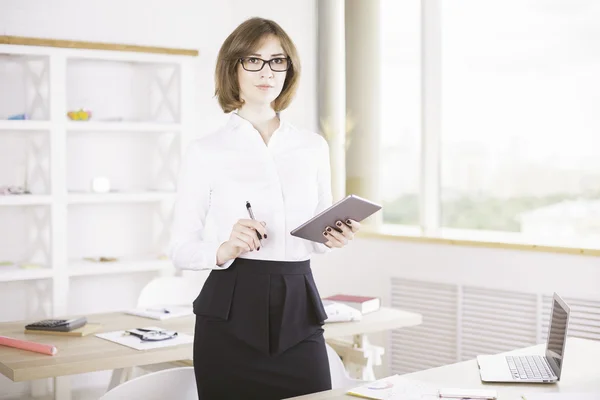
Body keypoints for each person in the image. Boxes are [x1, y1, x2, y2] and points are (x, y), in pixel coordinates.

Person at [168, 17, 361, 400]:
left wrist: (333, 237)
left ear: (288, 69)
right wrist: (224, 248)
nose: (267, 71)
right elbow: (180, 249)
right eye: (253, 60)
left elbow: (318, 240)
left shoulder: (312, 147)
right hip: (231, 308)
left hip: (299, 303)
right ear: (232, 67)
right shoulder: (206, 152)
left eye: (277, 61)